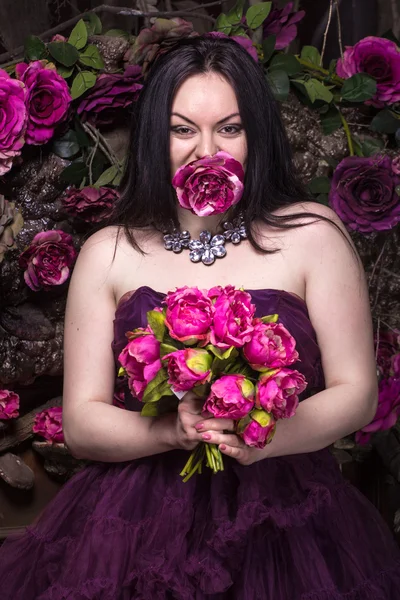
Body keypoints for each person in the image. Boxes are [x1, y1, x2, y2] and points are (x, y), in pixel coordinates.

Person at [1, 36, 399, 599]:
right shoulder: (109, 250)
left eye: (230, 129)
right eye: (182, 129)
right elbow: (82, 424)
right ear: (152, 138)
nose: (204, 149)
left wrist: (262, 435)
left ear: (256, 135)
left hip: (289, 513)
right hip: (133, 524)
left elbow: (356, 392)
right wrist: (169, 429)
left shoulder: (313, 234)